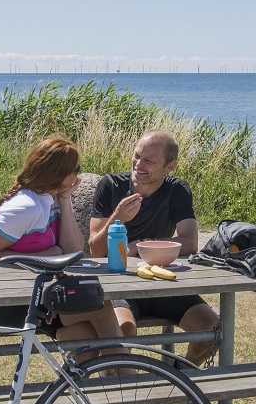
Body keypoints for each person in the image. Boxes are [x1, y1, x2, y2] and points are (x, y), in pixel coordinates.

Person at [0, 135, 124, 349]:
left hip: (37, 292)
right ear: (59, 174)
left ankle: (94, 380)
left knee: (82, 334)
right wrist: (43, 257)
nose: (77, 174)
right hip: (6, 301)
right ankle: (128, 376)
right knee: (102, 307)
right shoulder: (27, 207)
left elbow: (73, 249)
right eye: (76, 169)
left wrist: (65, 199)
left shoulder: (50, 198)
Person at [89, 129, 219, 367]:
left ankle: (178, 376)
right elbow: (95, 250)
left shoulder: (176, 190)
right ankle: (122, 394)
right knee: (122, 333)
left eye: (149, 160)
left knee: (212, 328)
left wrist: (141, 246)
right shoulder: (111, 185)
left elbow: (190, 243)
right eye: (137, 156)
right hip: (120, 283)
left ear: (169, 166)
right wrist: (117, 218)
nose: (139, 164)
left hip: (160, 281)